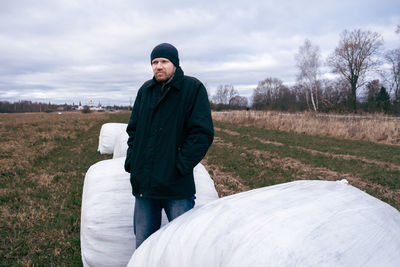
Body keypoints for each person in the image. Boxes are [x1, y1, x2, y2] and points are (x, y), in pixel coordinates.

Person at [124, 43, 214, 248]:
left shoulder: (192, 89)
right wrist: (133, 161)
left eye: (164, 61)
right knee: (144, 247)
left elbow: (202, 134)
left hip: (176, 187)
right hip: (144, 186)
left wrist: (179, 165)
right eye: (154, 62)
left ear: (175, 64)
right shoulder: (145, 91)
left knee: (181, 247)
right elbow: (133, 131)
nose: (158, 66)